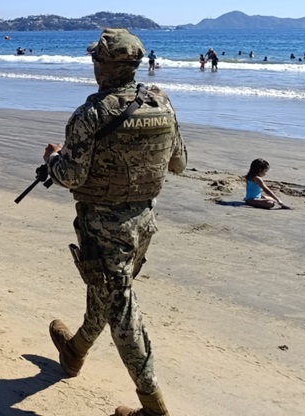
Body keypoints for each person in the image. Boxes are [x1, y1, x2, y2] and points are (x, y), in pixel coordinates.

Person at [42, 28, 187, 416]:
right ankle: (74, 352)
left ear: (102, 66)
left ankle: (153, 405)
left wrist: (52, 160)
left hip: (103, 225)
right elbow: (179, 163)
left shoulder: (92, 113)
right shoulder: (162, 103)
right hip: (144, 221)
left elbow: (71, 176)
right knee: (110, 292)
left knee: (122, 308)